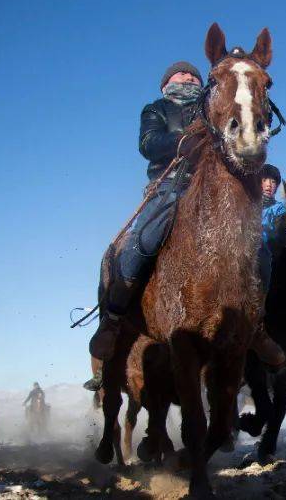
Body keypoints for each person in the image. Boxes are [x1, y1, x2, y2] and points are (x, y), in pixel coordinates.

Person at [88, 62, 204, 362]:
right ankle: (113, 318)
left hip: (209, 190)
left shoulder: (212, 110)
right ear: (168, 82)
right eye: (183, 75)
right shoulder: (157, 109)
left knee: (256, 246)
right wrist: (183, 142)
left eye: (194, 75)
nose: (190, 78)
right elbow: (148, 143)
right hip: (170, 186)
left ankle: (256, 325)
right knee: (146, 239)